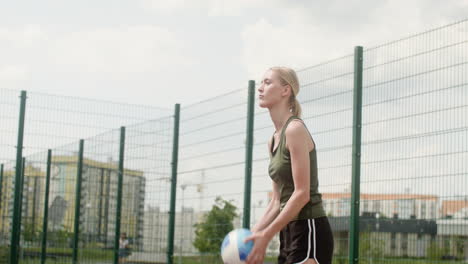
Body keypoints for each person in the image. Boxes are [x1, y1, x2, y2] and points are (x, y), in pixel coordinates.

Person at [245, 67, 334, 264]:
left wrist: (267, 235)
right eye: (261, 83)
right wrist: (251, 236)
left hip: (309, 227)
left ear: (285, 90)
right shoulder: (273, 140)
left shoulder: (295, 130)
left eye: (267, 82)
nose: (260, 88)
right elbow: (277, 201)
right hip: (288, 231)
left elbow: (302, 194)